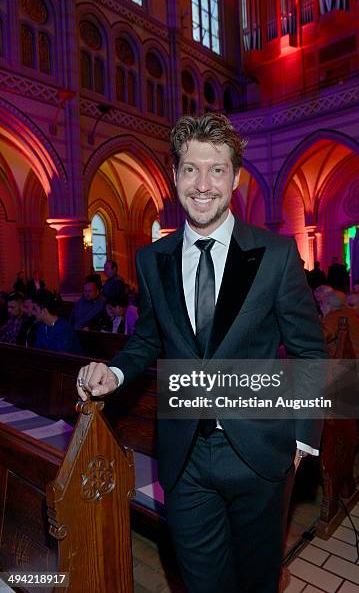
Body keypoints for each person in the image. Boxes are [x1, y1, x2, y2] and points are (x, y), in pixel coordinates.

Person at [76, 113, 327, 593]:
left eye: (217, 170)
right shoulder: (154, 260)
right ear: (175, 177)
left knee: (256, 582)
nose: (203, 184)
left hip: (259, 455)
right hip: (184, 455)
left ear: (234, 177)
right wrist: (114, 371)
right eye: (191, 169)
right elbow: (149, 338)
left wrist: (302, 440)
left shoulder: (275, 254)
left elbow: (310, 352)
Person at [319, 291, 359, 359]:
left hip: (351, 366)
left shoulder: (334, 316)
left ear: (327, 304)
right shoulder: (351, 314)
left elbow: (320, 337)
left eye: (321, 304)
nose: (320, 308)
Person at [33, 290, 82, 354]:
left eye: (35, 309)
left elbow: (61, 357)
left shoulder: (64, 329)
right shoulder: (42, 328)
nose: (33, 312)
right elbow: (37, 352)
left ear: (44, 311)